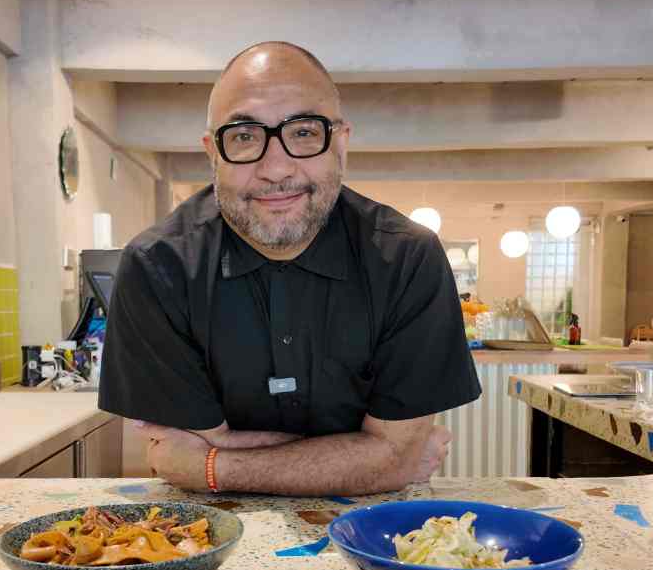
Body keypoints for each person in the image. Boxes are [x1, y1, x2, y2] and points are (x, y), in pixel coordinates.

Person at [99, 41, 481, 496]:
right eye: (244, 136)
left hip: (370, 524)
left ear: (341, 141)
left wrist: (209, 465)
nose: (276, 169)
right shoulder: (156, 267)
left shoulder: (409, 259)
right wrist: (375, 456)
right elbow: (394, 458)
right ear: (212, 152)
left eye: (303, 132)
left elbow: (394, 460)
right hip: (206, 526)